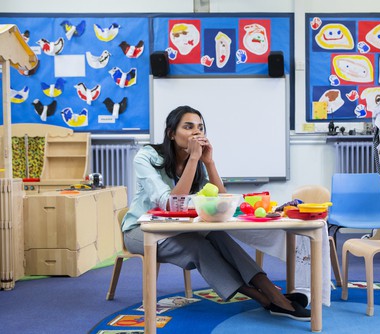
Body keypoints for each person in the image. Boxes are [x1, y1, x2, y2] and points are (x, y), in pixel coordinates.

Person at [121, 105, 311, 321]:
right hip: (142, 230)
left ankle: (271, 292)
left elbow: (221, 199)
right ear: (171, 133)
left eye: (200, 128)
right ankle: (270, 300)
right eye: (188, 127)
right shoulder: (146, 157)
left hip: (177, 228)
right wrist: (194, 159)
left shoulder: (196, 162)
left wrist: (208, 162)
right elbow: (171, 205)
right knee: (199, 246)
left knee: (219, 235)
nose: (197, 133)